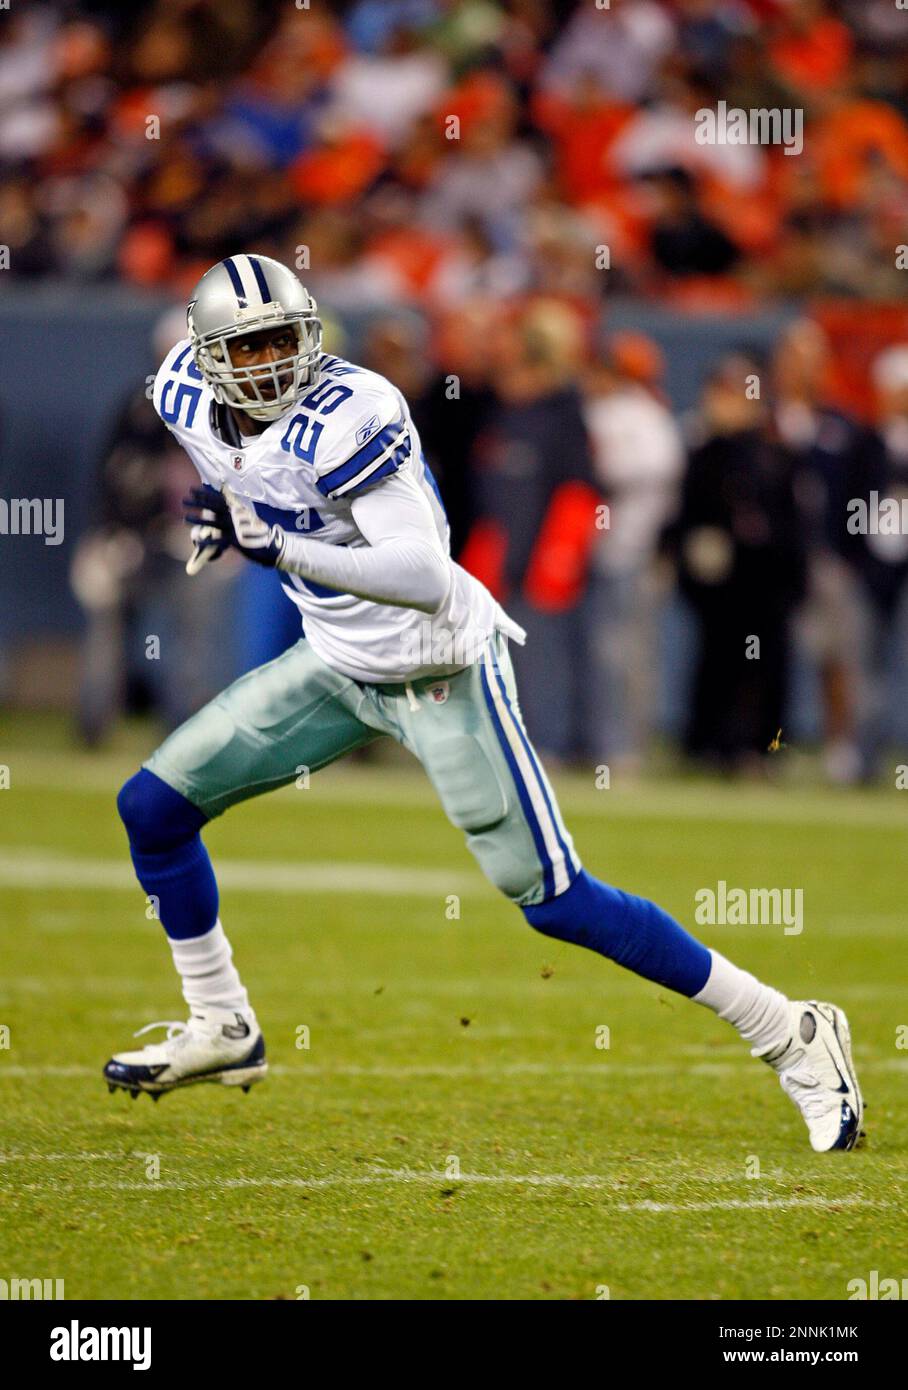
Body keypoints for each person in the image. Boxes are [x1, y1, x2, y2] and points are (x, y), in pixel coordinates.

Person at [105, 254, 862, 1154]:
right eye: (248, 347)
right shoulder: (183, 394)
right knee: (152, 808)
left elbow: (423, 576)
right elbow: (240, 477)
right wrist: (219, 509)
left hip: (438, 667)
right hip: (338, 660)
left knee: (554, 901)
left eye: (283, 340)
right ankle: (223, 1022)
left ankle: (790, 1029)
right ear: (204, 355)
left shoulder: (353, 411)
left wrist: (278, 548)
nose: (270, 363)